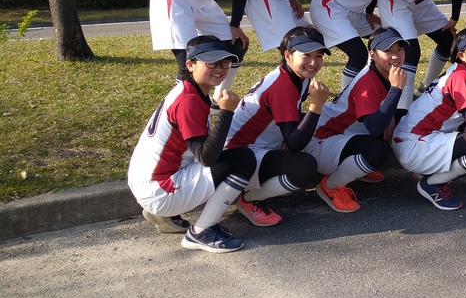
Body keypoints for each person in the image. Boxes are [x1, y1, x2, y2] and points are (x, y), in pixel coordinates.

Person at [128, 36, 256, 253]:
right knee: (243, 159)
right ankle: (202, 232)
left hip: (148, 182)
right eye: (211, 63)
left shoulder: (189, 90)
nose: (220, 69)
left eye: (224, 63)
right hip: (161, 188)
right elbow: (206, 157)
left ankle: (164, 214)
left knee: (228, 150)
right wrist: (226, 113)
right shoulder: (188, 100)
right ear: (190, 64)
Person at [225, 26, 330, 225]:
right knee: (304, 166)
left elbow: (291, 120)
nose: (313, 62)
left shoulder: (297, 75)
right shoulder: (282, 86)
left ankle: (264, 184)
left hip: (255, 147)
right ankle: (249, 199)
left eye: (319, 56)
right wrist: (316, 105)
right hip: (239, 155)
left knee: (311, 137)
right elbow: (295, 144)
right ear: (287, 55)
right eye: (306, 55)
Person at [391, 28, 466, 211]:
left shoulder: (459, 70)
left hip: (410, 140)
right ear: (461, 55)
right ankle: (432, 183)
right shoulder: (462, 76)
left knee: (464, 125)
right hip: (414, 146)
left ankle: (428, 170)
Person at [305, 27, 407, 213]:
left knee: (404, 117)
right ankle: (331, 186)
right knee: (378, 151)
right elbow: (376, 129)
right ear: (373, 55)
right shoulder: (368, 81)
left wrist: (391, 113)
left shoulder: (383, 72)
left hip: (343, 135)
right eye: (388, 50)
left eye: (399, 49)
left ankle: (356, 168)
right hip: (321, 142)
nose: (395, 56)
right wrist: (396, 90)